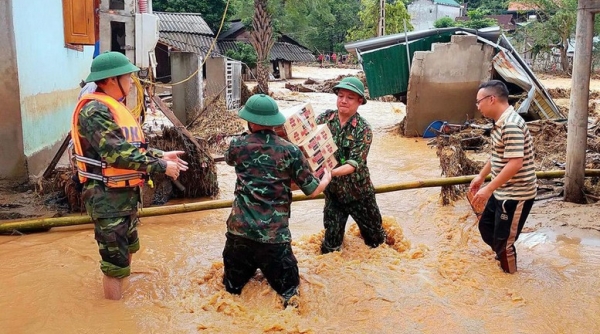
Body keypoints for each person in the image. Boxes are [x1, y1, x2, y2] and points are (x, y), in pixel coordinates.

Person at [71, 51, 189, 300]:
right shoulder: (94, 111)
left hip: (124, 196)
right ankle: (113, 315)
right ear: (113, 79)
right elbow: (117, 154)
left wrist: (161, 155)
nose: (131, 81)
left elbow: (131, 147)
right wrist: (160, 167)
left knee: (128, 249)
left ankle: (122, 294)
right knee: (115, 264)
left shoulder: (113, 108)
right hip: (107, 198)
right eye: (128, 76)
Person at [222, 94, 332, 308]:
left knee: (231, 292)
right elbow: (311, 190)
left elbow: (231, 161)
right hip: (274, 239)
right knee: (291, 295)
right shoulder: (290, 151)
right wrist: (326, 178)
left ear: (250, 121)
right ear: (275, 121)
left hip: (239, 234)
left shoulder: (237, 144)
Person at [469, 80, 537, 274]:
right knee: (486, 227)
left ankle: (511, 281)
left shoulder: (511, 125)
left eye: (478, 101)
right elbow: (498, 155)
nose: (477, 106)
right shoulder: (499, 123)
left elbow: (516, 163)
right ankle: (502, 257)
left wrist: (488, 188)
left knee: (504, 242)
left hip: (516, 193)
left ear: (492, 99)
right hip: (502, 190)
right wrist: (481, 177)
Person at [315, 77, 386, 254]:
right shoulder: (324, 119)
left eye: (350, 97)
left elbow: (354, 163)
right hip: (333, 195)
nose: (343, 101)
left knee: (377, 243)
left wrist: (329, 173)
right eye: (340, 96)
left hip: (359, 194)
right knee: (330, 248)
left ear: (360, 101)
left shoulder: (363, 129)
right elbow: (308, 143)